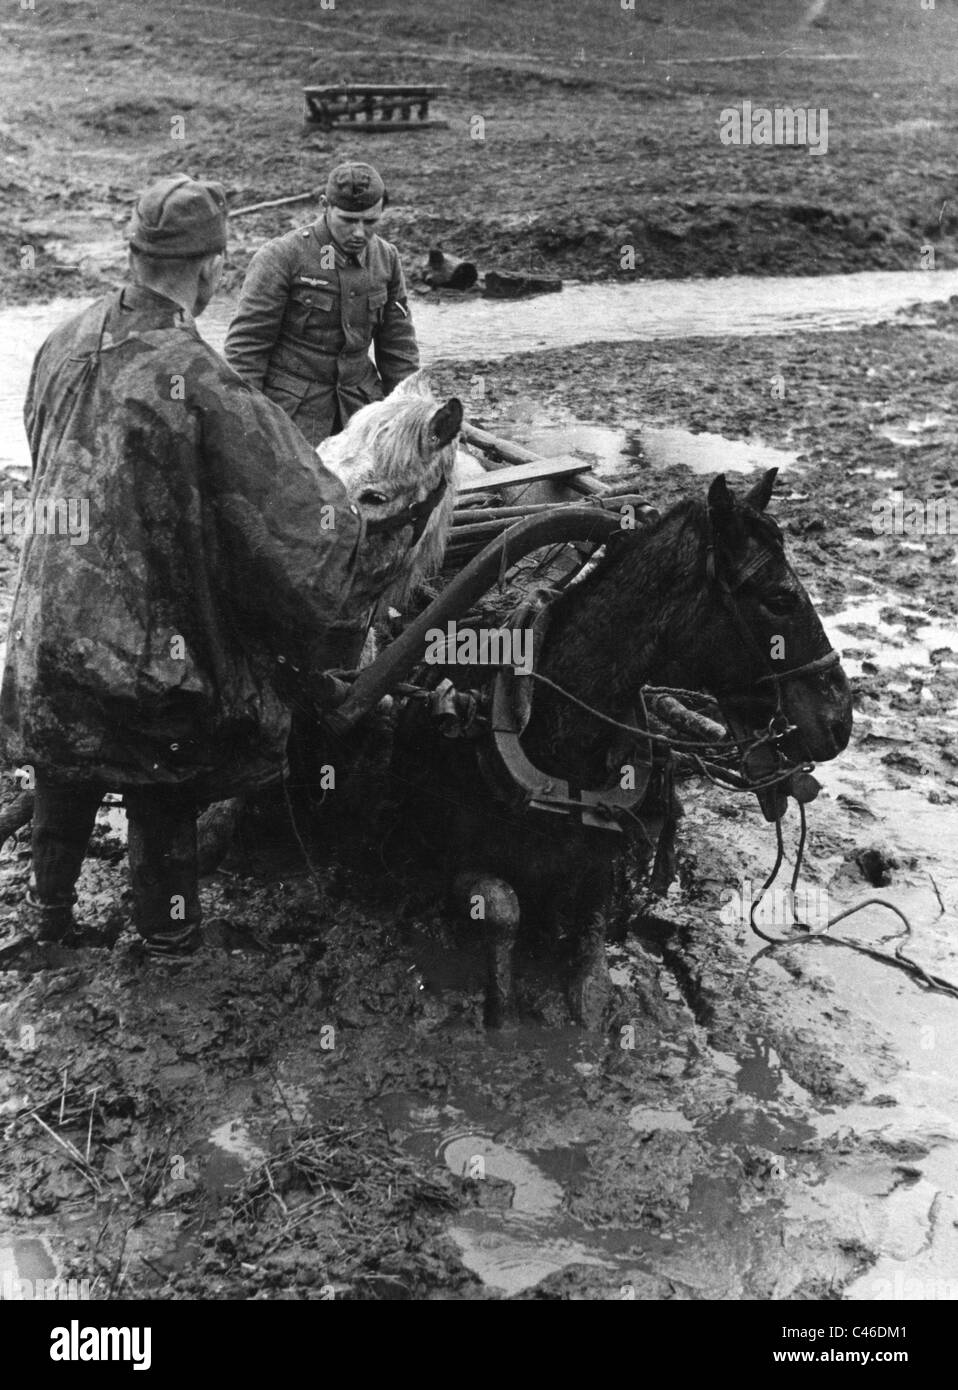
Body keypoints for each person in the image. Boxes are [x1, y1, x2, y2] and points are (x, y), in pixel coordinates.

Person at [0, 174, 404, 957]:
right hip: (140, 664)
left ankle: (49, 923)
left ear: (134, 254)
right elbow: (295, 522)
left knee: (64, 760)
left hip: (38, 640)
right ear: (212, 267)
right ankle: (168, 941)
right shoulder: (204, 379)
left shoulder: (61, 339)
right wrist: (367, 540)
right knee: (167, 779)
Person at [224, 161, 420, 447]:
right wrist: (247, 427)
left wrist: (408, 417)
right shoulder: (282, 257)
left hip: (361, 413)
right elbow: (246, 351)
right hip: (293, 417)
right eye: (348, 221)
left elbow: (398, 349)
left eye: (370, 222)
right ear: (324, 205)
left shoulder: (386, 259)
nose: (359, 233)